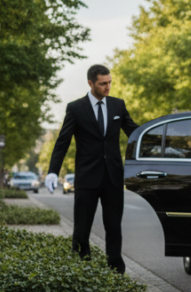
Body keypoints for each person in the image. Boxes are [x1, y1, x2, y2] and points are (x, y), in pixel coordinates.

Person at [44, 64, 138, 272]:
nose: (107, 87)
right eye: (103, 84)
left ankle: (116, 272)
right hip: (87, 178)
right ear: (90, 83)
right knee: (81, 230)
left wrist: (159, 140)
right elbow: (63, 142)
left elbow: (134, 132)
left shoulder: (118, 106)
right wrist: (53, 170)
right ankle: (81, 271)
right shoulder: (76, 108)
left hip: (113, 177)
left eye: (109, 82)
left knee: (114, 228)